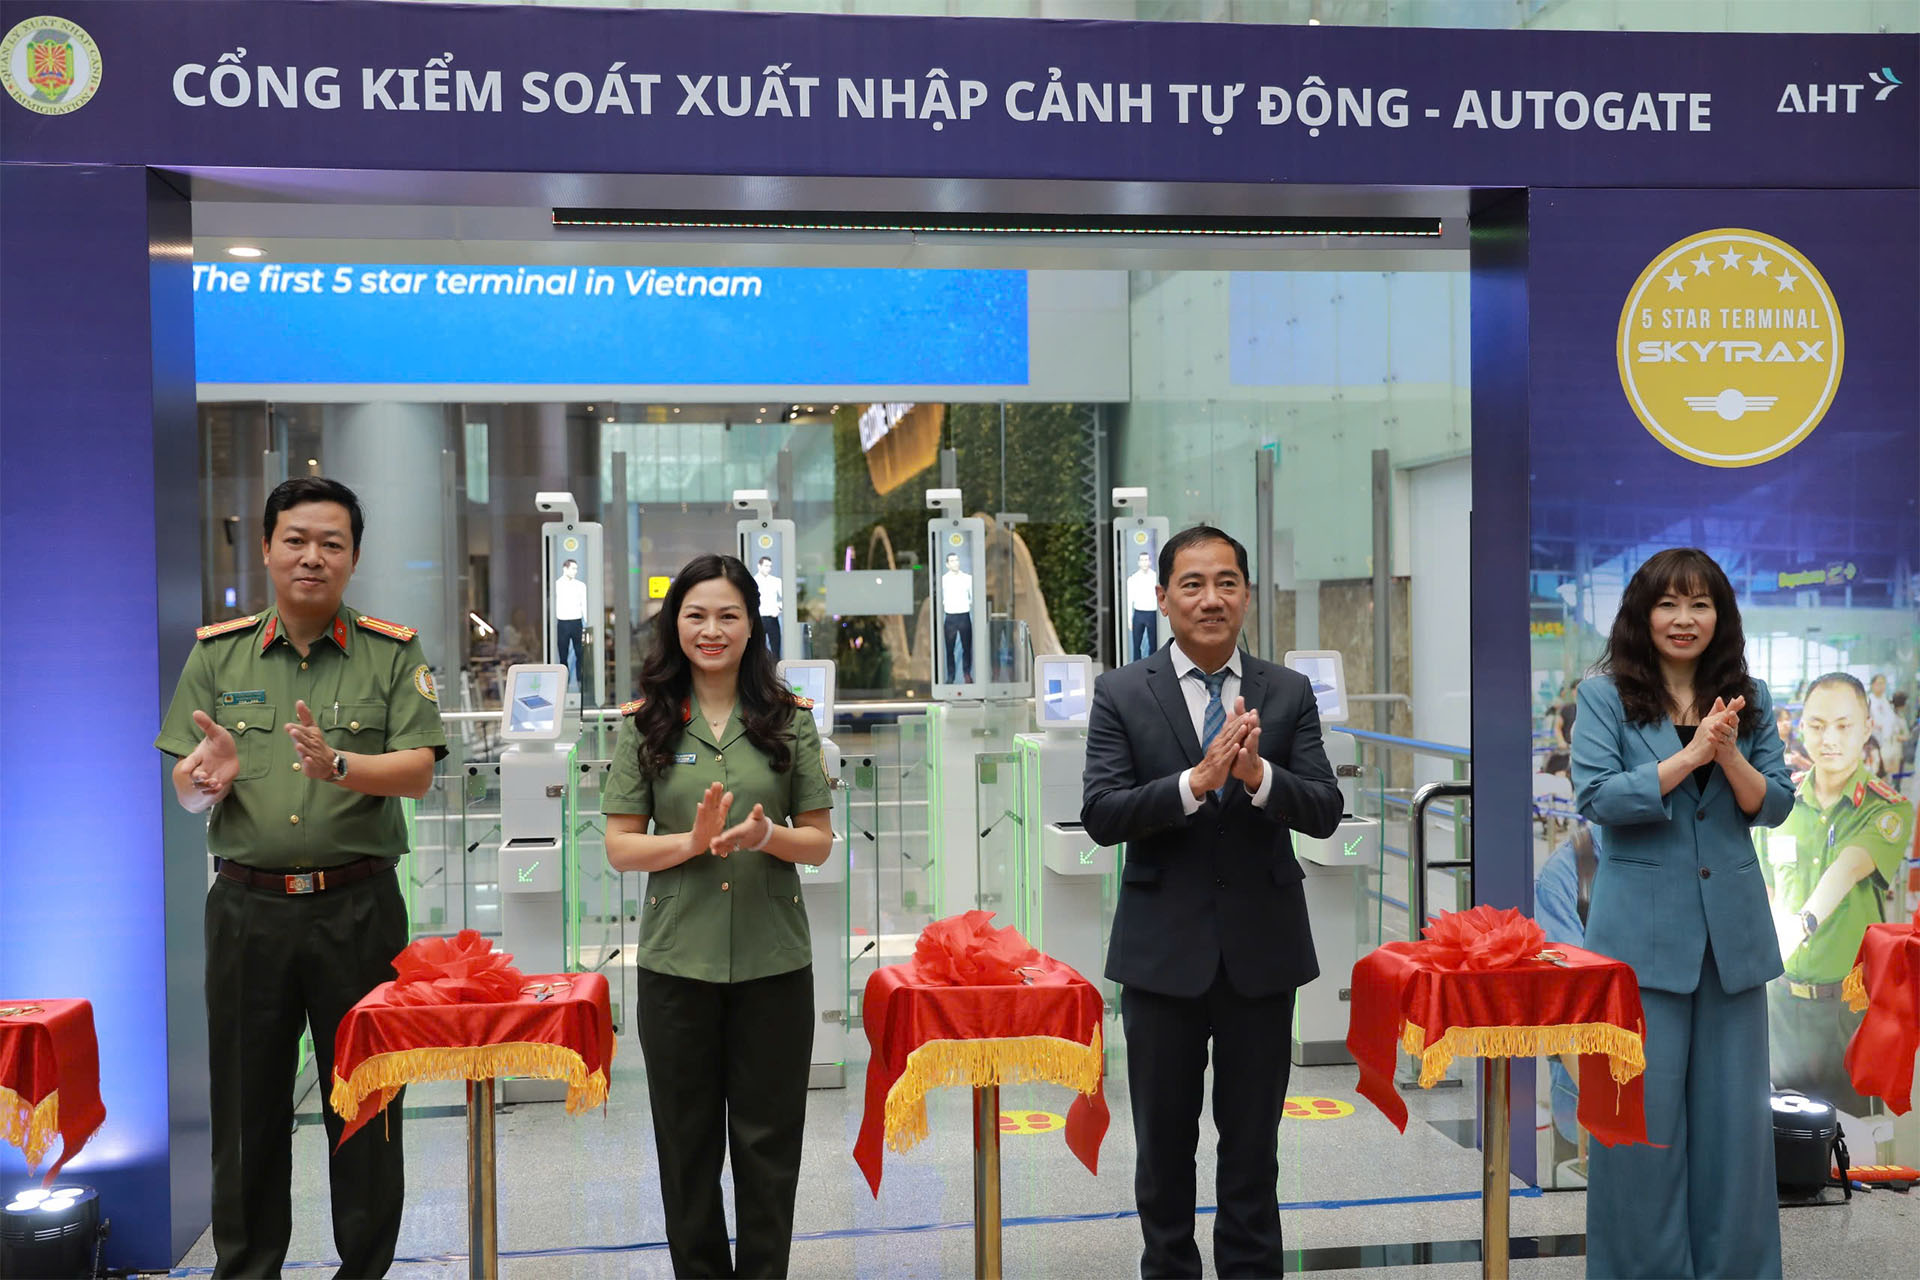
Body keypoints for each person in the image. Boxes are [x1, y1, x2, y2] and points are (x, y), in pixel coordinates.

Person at [154, 477, 447, 1279]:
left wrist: (340, 764)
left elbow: (420, 771)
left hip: (359, 907)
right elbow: (182, 783)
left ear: (353, 556)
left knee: (366, 1103)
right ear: (267, 548)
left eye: (331, 543)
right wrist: (201, 780)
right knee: (247, 1111)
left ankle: (365, 1268)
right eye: (296, 540)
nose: (312, 558)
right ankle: (248, 1269)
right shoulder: (218, 651)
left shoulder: (393, 650)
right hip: (248, 910)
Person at [1080, 525, 1341, 1279]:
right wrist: (1194, 786)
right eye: (1191, 584)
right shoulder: (1123, 692)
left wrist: (1259, 778)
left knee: (1254, 1155)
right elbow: (1102, 813)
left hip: (1262, 953)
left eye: (1226, 582)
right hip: (1162, 958)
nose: (1210, 598)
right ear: (1162, 599)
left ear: (1248, 595)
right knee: (1163, 1155)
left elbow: (1323, 806)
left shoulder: (1286, 693)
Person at [601, 553, 833, 1279]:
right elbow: (618, 847)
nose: (711, 629)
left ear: (751, 624)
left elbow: (820, 843)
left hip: (775, 966)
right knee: (687, 1150)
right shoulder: (645, 725)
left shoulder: (789, 721)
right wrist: (691, 844)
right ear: (675, 624)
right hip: (678, 968)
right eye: (696, 615)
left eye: (728, 615)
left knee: (769, 1152)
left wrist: (769, 836)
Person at [1569, 547, 1794, 1280]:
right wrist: (1691, 755)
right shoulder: (1604, 697)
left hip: (1731, 946)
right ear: (1643, 613)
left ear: (1720, 617)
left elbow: (1776, 804)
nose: (1684, 618)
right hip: (1637, 944)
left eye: (1700, 604)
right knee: (1637, 1131)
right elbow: (1598, 797)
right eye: (1669, 603)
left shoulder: (1749, 697)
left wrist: (1728, 756)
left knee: (1734, 1134)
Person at [1760, 673, 1913, 1117]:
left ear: (1867, 728)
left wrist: (1801, 924)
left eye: (1844, 726)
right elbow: (1766, 892)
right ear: (1801, 728)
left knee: (1854, 1145)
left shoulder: (1887, 807)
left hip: (1850, 1013)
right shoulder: (1779, 805)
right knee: (1779, 1137)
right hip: (1781, 1006)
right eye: (1817, 725)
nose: (1830, 738)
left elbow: (1847, 868)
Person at [555, 557, 587, 695]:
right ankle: (564, 684)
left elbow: (584, 604)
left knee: (580, 653)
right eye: (573, 568)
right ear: (565, 568)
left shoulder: (580, 585)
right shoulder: (557, 584)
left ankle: (580, 682)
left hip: (576, 621)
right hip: (562, 621)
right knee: (563, 654)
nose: (575, 571)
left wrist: (586, 622)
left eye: (576, 568)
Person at [940, 550, 974, 682]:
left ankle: (967, 673)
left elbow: (972, 597)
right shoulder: (943, 580)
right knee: (950, 649)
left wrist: (965, 604)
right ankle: (951, 675)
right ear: (947, 564)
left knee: (967, 647)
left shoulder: (967, 578)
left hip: (964, 615)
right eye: (952, 561)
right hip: (950, 616)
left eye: (957, 560)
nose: (955, 563)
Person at [1127, 549, 1159, 662]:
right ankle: (1136, 666)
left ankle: (1153, 665)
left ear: (1150, 562)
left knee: (1153, 643)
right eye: (1142, 560)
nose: (1144, 562)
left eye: (1146, 560)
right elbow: (1129, 599)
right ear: (1138, 562)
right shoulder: (1133, 578)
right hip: (1139, 612)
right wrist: (1129, 619)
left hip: (1152, 612)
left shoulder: (1155, 577)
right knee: (1137, 644)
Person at [753, 554, 784, 657]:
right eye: (766, 566)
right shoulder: (753, 581)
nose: (768, 569)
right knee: (757, 649)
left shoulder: (776, 581)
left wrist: (779, 608)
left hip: (772, 618)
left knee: (776, 649)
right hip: (759, 618)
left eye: (770, 566)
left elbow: (786, 598)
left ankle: (776, 670)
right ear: (759, 566)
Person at [1775, 702, 1813, 774]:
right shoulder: (1767, 747)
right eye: (1780, 720)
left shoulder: (1797, 745)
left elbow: (1815, 770)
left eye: (1787, 719)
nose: (1785, 723)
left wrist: (1800, 760)